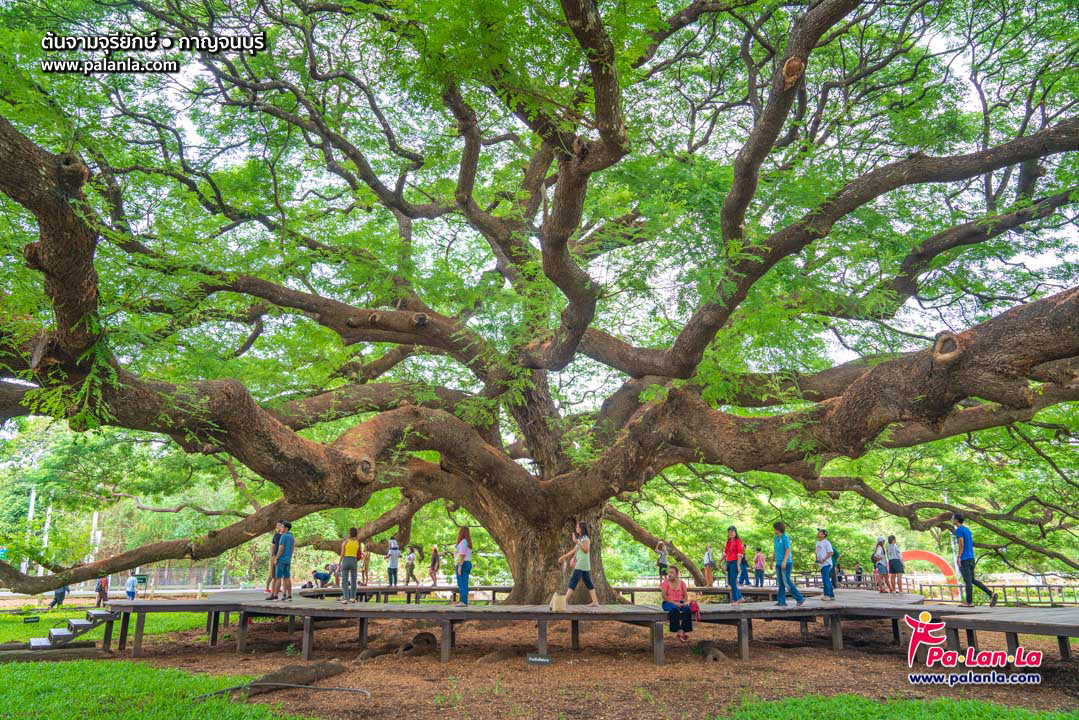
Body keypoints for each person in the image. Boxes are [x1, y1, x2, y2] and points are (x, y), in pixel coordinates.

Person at [953, 513, 998, 607]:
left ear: (956, 520)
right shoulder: (967, 530)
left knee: (968, 581)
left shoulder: (959, 530)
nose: (951, 520)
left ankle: (969, 602)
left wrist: (959, 557)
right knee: (972, 580)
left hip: (964, 558)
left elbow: (961, 544)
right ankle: (991, 594)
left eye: (952, 518)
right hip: (971, 558)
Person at [558, 521, 600, 607]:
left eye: (577, 527)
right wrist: (564, 557)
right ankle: (595, 602)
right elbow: (574, 551)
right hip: (582, 563)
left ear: (581, 528)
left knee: (573, 580)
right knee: (588, 582)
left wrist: (577, 542)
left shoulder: (585, 538)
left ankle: (565, 601)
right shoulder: (581, 538)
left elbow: (586, 550)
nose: (576, 528)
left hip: (582, 563)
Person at [772, 521, 805, 607]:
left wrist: (784, 561)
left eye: (774, 528)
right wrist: (772, 561)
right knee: (781, 583)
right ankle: (781, 601)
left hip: (786, 563)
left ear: (778, 529)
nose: (774, 530)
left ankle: (800, 598)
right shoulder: (776, 538)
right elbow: (775, 550)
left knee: (786, 582)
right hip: (778, 563)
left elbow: (788, 550)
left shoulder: (785, 537)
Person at [660, 566, 693, 643]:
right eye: (669, 572)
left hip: (680, 602)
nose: (669, 574)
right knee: (674, 609)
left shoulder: (682, 583)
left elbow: (685, 595)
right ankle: (679, 630)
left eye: (672, 572)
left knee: (687, 609)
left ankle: (683, 630)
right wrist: (675, 603)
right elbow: (664, 596)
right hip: (668, 603)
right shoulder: (665, 582)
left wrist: (685, 603)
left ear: (677, 574)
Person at [270, 520, 295, 602]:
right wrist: (289, 557)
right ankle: (289, 595)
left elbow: (281, 548)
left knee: (278, 578)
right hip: (288, 560)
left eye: (282, 527)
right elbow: (292, 548)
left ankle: (276, 596)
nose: (280, 528)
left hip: (281, 560)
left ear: (286, 528)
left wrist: (277, 558)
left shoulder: (283, 536)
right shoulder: (291, 537)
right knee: (287, 578)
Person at [723, 526, 745, 605]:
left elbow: (740, 554)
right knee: (730, 582)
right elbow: (725, 553)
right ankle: (741, 598)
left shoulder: (738, 541)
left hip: (735, 562)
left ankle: (736, 600)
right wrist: (721, 561)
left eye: (732, 532)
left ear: (735, 532)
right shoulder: (728, 541)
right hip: (729, 562)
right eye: (729, 532)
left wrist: (738, 565)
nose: (730, 533)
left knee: (733, 581)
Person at [339, 527, 360, 604]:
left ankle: (345, 598)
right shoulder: (357, 543)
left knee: (344, 580)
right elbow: (357, 552)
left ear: (349, 533)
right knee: (353, 579)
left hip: (346, 560)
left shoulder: (345, 542)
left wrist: (339, 564)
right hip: (354, 560)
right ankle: (352, 598)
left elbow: (342, 554)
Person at [453, 527, 472, 606]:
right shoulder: (467, 542)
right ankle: (463, 601)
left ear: (461, 532)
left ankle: (463, 602)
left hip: (463, 564)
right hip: (467, 563)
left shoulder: (463, 542)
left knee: (462, 584)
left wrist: (460, 566)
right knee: (464, 583)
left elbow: (462, 554)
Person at [815, 528, 835, 601]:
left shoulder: (827, 542)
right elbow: (817, 553)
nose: (818, 533)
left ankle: (827, 595)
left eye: (820, 532)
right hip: (821, 564)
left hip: (826, 563)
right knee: (826, 579)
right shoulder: (817, 542)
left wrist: (824, 559)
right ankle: (831, 595)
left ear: (823, 535)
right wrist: (816, 561)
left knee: (825, 579)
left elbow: (831, 552)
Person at [265, 527, 281, 595]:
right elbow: (272, 546)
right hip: (273, 556)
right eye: (277, 526)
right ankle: (267, 588)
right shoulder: (276, 535)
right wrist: (271, 556)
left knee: (278, 576)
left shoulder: (284, 535)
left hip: (279, 557)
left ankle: (276, 589)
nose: (277, 527)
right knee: (271, 575)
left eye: (279, 525)